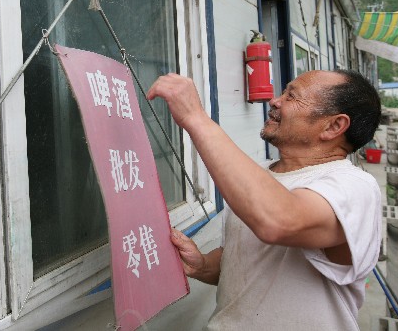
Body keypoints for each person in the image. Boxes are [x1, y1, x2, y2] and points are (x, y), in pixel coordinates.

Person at [147, 70, 382, 330]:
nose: (275, 101)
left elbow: (280, 221)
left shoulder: (355, 186)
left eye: (292, 96)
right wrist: (202, 266)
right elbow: (240, 264)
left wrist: (196, 117)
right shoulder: (260, 175)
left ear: (333, 126)